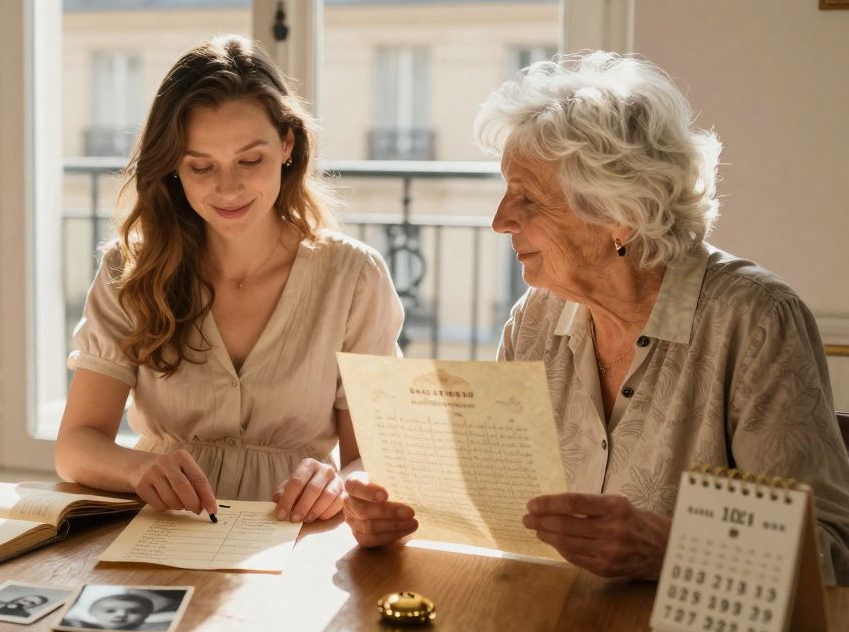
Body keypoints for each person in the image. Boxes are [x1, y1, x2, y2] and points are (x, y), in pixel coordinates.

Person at [343, 51, 849, 584]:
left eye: (528, 199)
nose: (498, 221)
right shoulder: (535, 320)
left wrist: (668, 551)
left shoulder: (756, 320)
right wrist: (400, 513)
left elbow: (832, 552)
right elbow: (503, 512)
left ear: (621, 216)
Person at [54, 35, 403, 523]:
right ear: (174, 165)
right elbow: (75, 446)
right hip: (161, 534)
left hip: (296, 540)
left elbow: (369, 461)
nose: (228, 188)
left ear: (287, 144)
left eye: (250, 160)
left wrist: (340, 483)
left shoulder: (354, 279)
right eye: (201, 166)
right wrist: (139, 469)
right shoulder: (128, 270)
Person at [61, 593, 155, 631]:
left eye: (133, 611)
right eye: (110, 611)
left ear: (145, 616)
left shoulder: (146, 630)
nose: (121, 615)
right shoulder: (80, 625)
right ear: (92, 614)